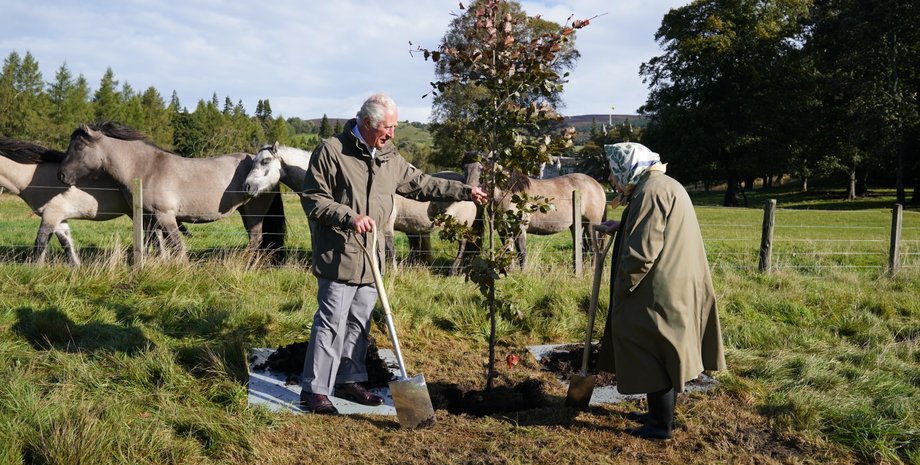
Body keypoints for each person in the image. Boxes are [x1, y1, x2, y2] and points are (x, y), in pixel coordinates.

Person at [298, 93, 488, 415]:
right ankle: (314, 391)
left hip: (372, 258)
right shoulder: (332, 151)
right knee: (331, 322)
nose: (392, 134)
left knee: (359, 322)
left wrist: (465, 191)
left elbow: (420, 184)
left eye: (395, 127)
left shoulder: (388, 156)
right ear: (367, 124)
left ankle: (349, 379)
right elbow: (313, 198)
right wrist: (349, 217)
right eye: (387, 127)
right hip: (340, 254)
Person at [596, 142, 725, 440]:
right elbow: (652, 226)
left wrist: (622, 286)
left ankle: (659, 427)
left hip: (658, 287)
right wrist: (623, 223)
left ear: (628, 167)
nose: (613, 178)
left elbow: (643, 252)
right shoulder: (660, 184)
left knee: (651, 348)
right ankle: (658, 414)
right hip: (675, 281)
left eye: (615, 171)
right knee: (663, 349)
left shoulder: (650, 191)